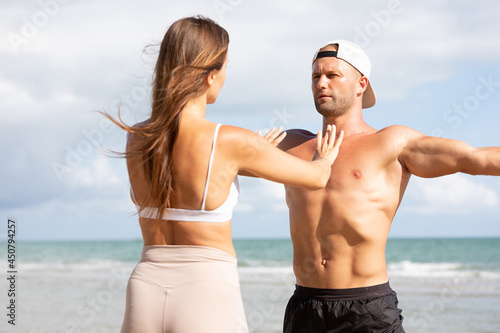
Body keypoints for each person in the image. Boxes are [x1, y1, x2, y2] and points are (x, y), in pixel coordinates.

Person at [103, 16, 343, 333]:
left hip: (145, 285)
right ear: (209, 76)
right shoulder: (228, 140)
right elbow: (315, 178)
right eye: (225, 67)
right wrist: (324, 157)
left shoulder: (137, 137)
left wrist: (251, 154)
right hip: (205, 290)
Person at [277, 40, 500, 333]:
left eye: (332, 75)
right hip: (305, 307)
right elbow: (222, 152)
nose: (321, 83)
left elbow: (474, 159)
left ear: (361, 84)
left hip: (366, 309)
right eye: (316, 76)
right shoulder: (290, 144)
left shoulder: (391, 143)